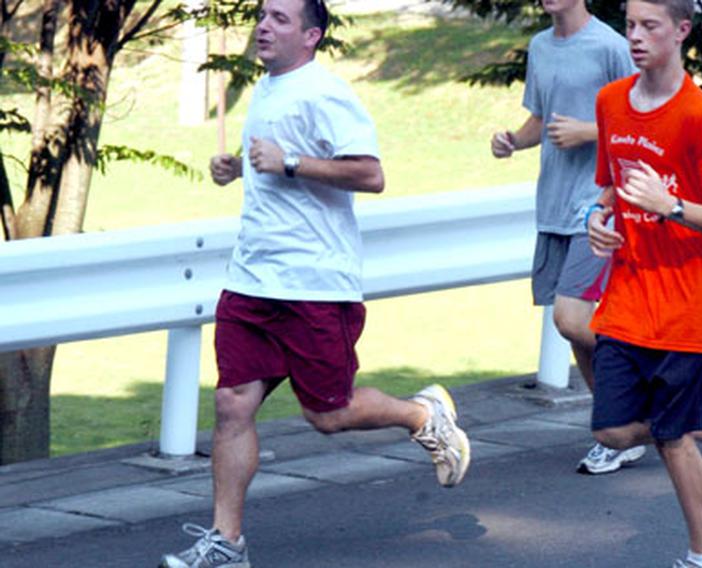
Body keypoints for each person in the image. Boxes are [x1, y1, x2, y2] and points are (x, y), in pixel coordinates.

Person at [160, 0, 470, 565]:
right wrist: (239, 167)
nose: (264, 25)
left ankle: (421, 414)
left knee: (328, 415)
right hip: (252, 280)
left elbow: (370, 173)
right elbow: (272, 161)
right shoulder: (266, 88)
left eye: (280, 18)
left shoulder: (327, 93)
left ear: (311, 36)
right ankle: (226, 543)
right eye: (262, 14)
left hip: (315, 286)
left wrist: (289, 163)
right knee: (232, 405)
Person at [585, 1, 702, 566]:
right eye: (630, 25)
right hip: (630, 292)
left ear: (681, 31)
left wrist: (671, 206)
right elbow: (611, 188)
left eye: (649, 26)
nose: (635, 37)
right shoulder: (611, 103)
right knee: (610, 431)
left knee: (670, 437)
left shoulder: (698, 117)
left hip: (692, 303)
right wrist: (596, 218)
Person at [490, 0, 646, 475]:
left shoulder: (612, 47)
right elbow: (542, 117)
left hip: (598, 203)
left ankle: (660, 383)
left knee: (572, 319)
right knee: (578, 332)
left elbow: (641, 122)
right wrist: (514, 141)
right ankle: (617, 430)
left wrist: (588, 130)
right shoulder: (540, 46)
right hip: (553, 206)